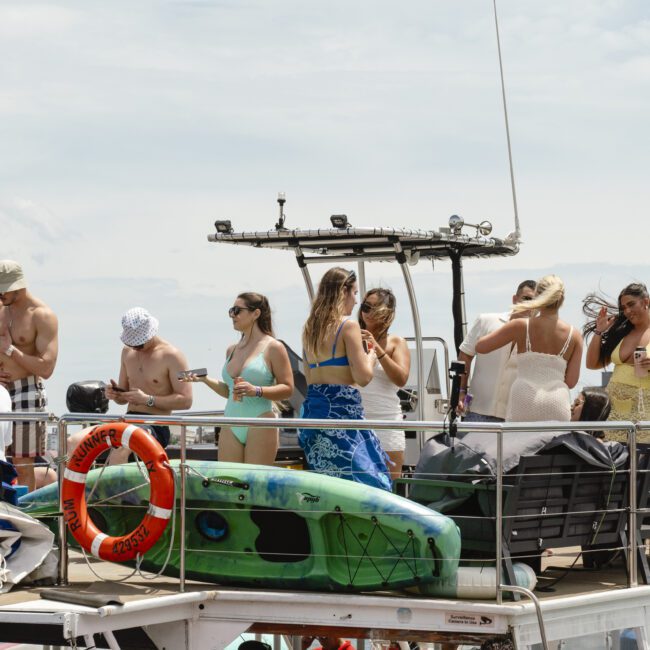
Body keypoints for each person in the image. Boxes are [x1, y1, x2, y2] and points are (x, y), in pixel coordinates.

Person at [299, 267, 391, 491]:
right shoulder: (348, 325)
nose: (356, 300)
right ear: (343, 291)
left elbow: (310, 378)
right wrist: (370, 356)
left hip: (315, 415)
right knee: (372, 482)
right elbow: (363, 378)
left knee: (327, 485)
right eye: (355, 293)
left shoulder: (309, 328)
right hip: (343, 416)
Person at [69, 307, 193, 464]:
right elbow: (123, 398)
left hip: (155, 425)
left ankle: (114, 488)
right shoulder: (127, 352)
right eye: (131, 343)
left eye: (139, 344)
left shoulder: (172, 356)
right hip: (127, 420)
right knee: (74, 442)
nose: (135, 348)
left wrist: (148, 400)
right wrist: (115, 394)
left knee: (122, 446)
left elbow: (186, 400)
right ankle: (78, 488)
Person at [183, 292, 293, 465]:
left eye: (237, 310)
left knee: (255, 484)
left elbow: (288, 388)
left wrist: (256, 390)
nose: (232, 315)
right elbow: (229, 391)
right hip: (230, 421)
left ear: (255, 313)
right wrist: (205, 380)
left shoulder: (274, 347)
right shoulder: (231, 350)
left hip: (260, 421)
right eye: (231, 311)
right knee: (229, 484)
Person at [475, 274, 583, 422]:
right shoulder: (575, 335)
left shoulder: (520, 325)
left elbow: (481, 347)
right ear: (562, 299)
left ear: (538, 297)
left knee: (517, 444)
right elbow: (571, 382)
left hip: (524, 397)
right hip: (557, 401)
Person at [0, 260, 58, 492]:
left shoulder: (41, 315)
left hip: (28, 390)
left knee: (23, 465)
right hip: (1, 390)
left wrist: (10, 350)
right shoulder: (1, 307)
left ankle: (24, 519)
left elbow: (46, 368)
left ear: (18, 287)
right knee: (2, 460)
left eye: (3, 289)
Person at [457, 280, 537, 422]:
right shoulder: (486, 321)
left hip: (516, 418)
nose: (531, 305)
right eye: (527, 299)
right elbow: (465, 356)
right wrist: (461, 391)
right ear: (515, 299)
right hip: (477, 411)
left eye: (537, 302)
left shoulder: (540, 337)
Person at [584, 282, 650, 442]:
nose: (627, 311)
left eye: (631, 304)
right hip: (614, 410)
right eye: (624, 307)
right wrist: (599, 331)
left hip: (645, 410)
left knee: (642, 462)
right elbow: (592, 364)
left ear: (646, 302)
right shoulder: (622, 332)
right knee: (616, 462)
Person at [357, 288, 410, 480]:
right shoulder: (350, 338)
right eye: (365, 307)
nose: (368, 312)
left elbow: (401, 378)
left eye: (374, 308)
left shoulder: (396, 342)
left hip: (387, 420)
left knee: (390, 483)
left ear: (387, 312)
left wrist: (376, 348)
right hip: (355, 420)